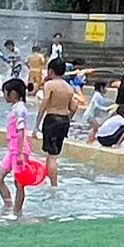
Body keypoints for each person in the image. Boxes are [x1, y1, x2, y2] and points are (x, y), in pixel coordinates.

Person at [0, 78, 36, 215]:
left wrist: (19, 153)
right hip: (12, 149)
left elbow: (21, 130)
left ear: (13, 93)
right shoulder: (16, 108)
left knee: (19, 183)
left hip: (19, 150)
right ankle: (8, 204)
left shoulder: (20, 108)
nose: (4, 95)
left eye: (5, 92)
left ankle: (17, 211)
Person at [35, 59, 79, 191]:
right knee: (53, 153)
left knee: (52, 155)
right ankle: (48, 180)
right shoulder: (69, 87)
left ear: (50, 71)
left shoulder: (50, 85)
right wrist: (68, 119)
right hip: (64, 119)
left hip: (52, 118)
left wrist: (37, 123)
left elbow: (45, 101)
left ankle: (54, 185)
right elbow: (74, 106)